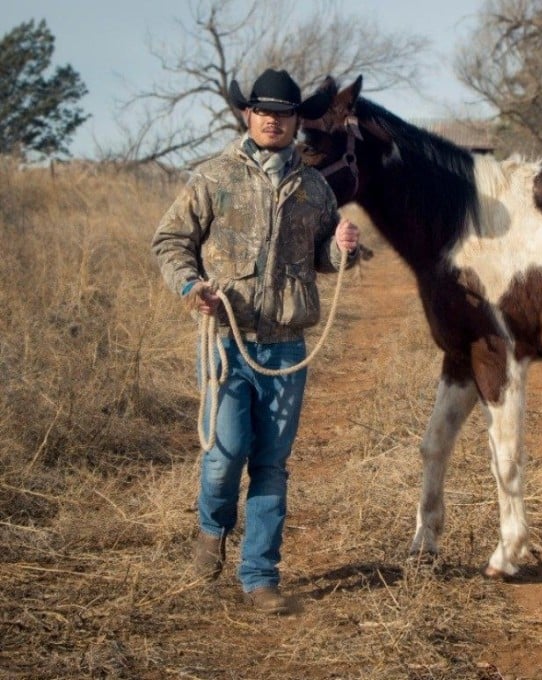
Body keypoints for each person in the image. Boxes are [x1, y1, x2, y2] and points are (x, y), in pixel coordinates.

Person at [151, 68, 360, 615]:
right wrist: (191, 285)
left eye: (284, 112)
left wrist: (341, 246)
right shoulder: (213, 177)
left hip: (287, 347)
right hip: (226, 340)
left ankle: (260, 576)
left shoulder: (315, 187)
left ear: (296, 120)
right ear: (248, 114)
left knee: (270, 463)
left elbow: (326, 258)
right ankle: (211, 528)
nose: (272, 119)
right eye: (263, 110)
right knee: (225, 454)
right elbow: (170, 240)